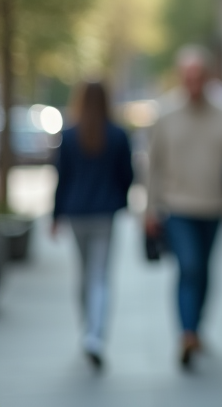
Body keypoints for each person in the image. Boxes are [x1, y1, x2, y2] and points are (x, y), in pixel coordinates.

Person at [145, 45, 222, 368]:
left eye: (198, 76)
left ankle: (196, 327)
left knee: (204, 270)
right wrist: (149, 208)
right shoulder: (166, 114)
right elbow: (153, 165)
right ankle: (187, 334)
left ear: (209, 77)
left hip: (215, 206)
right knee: (189, 267)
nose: (192, 83)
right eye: (187, 76)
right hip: (177, 206)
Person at [51, 81, 134, 371]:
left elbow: (61, 179)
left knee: (85, 273)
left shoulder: (70, 136)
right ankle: (94, 334)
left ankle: (88, 329)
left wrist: (56, 215)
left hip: (77, 213)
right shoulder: (118, 135)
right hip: (104, 214)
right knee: (99, 275)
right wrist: (120, 199)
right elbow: (128, 175)